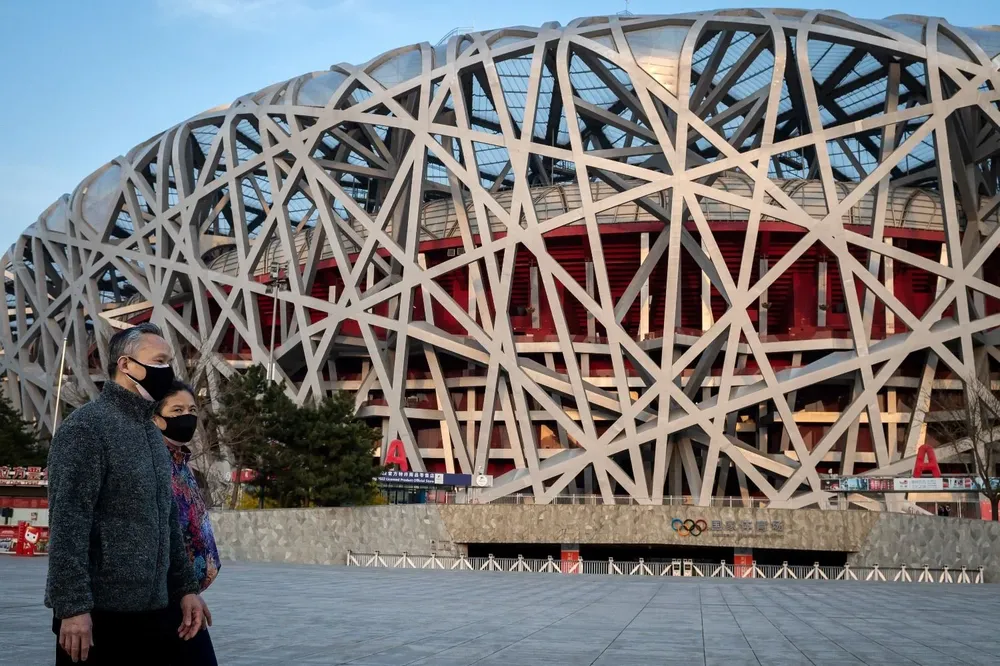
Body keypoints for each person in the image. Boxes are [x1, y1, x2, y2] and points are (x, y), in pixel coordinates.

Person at [46, 323, 208, 664]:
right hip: (100, 616)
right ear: (126, 365)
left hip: (155, 610)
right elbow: (68, 523)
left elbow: (167, 521)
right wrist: (72, 607)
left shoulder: (150, 434)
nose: (168, 370)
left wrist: (186, 590)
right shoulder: (87, 428)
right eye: (159, 360)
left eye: (169, 362)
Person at [153, 380, 221, 666]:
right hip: (164, 598)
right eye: (177, 410)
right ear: (156, 417)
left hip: (184, 596)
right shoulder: (153, 464)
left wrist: (191, 591)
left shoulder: (182, 464)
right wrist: (184, 590)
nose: (187, 417)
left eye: (192, 410)